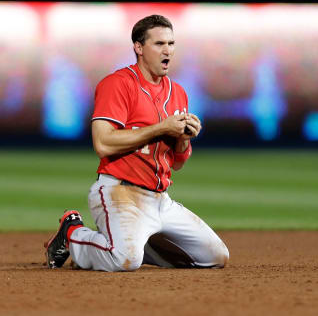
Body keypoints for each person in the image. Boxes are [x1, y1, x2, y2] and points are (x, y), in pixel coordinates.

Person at [44, 15, 229, 271]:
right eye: (159, 43)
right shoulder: (117, 84)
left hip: (160, 200)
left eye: (171, 43)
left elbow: (176, 163)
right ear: (139, 48)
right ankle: (73, 233)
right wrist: (161, 128)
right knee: (124, 260)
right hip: (119, 192)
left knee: (216, 257)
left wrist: (183, 140)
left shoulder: (178, 93)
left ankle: (138, 241)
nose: (167, 50)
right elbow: (103, 143)